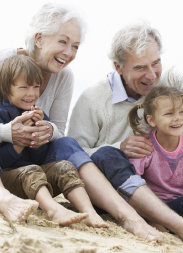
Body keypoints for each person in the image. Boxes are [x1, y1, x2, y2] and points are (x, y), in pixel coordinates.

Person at [0, 4, 165, 241]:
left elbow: (58, 131)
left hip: (35, 161)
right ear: (39, 38)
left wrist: (49, 130)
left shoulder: (64, 77)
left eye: (75, 46)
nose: (69, 52)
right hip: (5, 164)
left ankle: (127, 216)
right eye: (63, 41)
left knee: (66, 143)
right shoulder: (5, 61)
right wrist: (9, 132)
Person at [68, 20, 183, 238]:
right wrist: (119, 147)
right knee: (107, 154)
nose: (152, 75)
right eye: (140, 67)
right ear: (118, 67)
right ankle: (174, 223)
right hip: (114, 196)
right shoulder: (93, 99)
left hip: (164, 196)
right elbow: (72, 156)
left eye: (156, 63)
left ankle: (160, 217)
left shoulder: (168, 85)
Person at [0, 54, 112, 227]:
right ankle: (53, 210)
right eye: (24, 87)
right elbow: (3, 161)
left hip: (38, 184)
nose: (31, 93)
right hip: (11, 180)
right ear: (7, 89)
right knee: (31, 170)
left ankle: (89, 212)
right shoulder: (2, 114)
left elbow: (39, 158)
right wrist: (19, 143)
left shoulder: (39, 114)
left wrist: (39, 140)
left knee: (64, 166)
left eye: (36, 87)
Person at [128, 85, 183, 217]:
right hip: (155, 208)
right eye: (169, 113)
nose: (178, 118)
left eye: (182, 112)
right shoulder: (144, 147)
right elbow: (132, 186)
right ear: (151, 120)